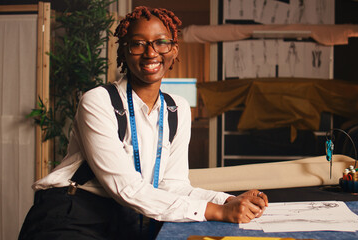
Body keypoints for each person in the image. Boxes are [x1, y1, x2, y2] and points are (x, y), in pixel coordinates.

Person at [19, 6, 268, 240]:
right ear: (124, 51)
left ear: (174, 49)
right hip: (73, 213)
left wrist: (227, 201)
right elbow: (125, 188)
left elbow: (173, 185)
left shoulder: (177, 108)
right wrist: (217, 211)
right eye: (138, 44)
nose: (151, 53)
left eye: (161, 42)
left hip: (129, 215)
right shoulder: (98, 101)